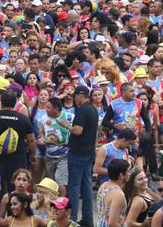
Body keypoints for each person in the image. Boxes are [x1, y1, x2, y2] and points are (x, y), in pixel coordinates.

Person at [0, 91, 36, 194]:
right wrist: (32, 154)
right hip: (17, 158)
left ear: (1, 103)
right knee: (16, 187)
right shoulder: (23, 119)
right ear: (15, 103)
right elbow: (31, 140)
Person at [64, 85, 97, 227]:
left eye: (75, 96)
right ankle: (88, 220)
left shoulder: (83, 110)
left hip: (78, 154)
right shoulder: (93, 109)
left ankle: (71, 218)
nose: (74, 99)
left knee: (74, 186)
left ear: (79, 96)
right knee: (86, 187)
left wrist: (66, 125)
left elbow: (77, 130)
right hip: (88, 152)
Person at [97, 158, 127, 227]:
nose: (129, 174)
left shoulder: (103, 186)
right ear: (121, 175)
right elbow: (112, 223)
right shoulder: (118, 194)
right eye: (128, 171)